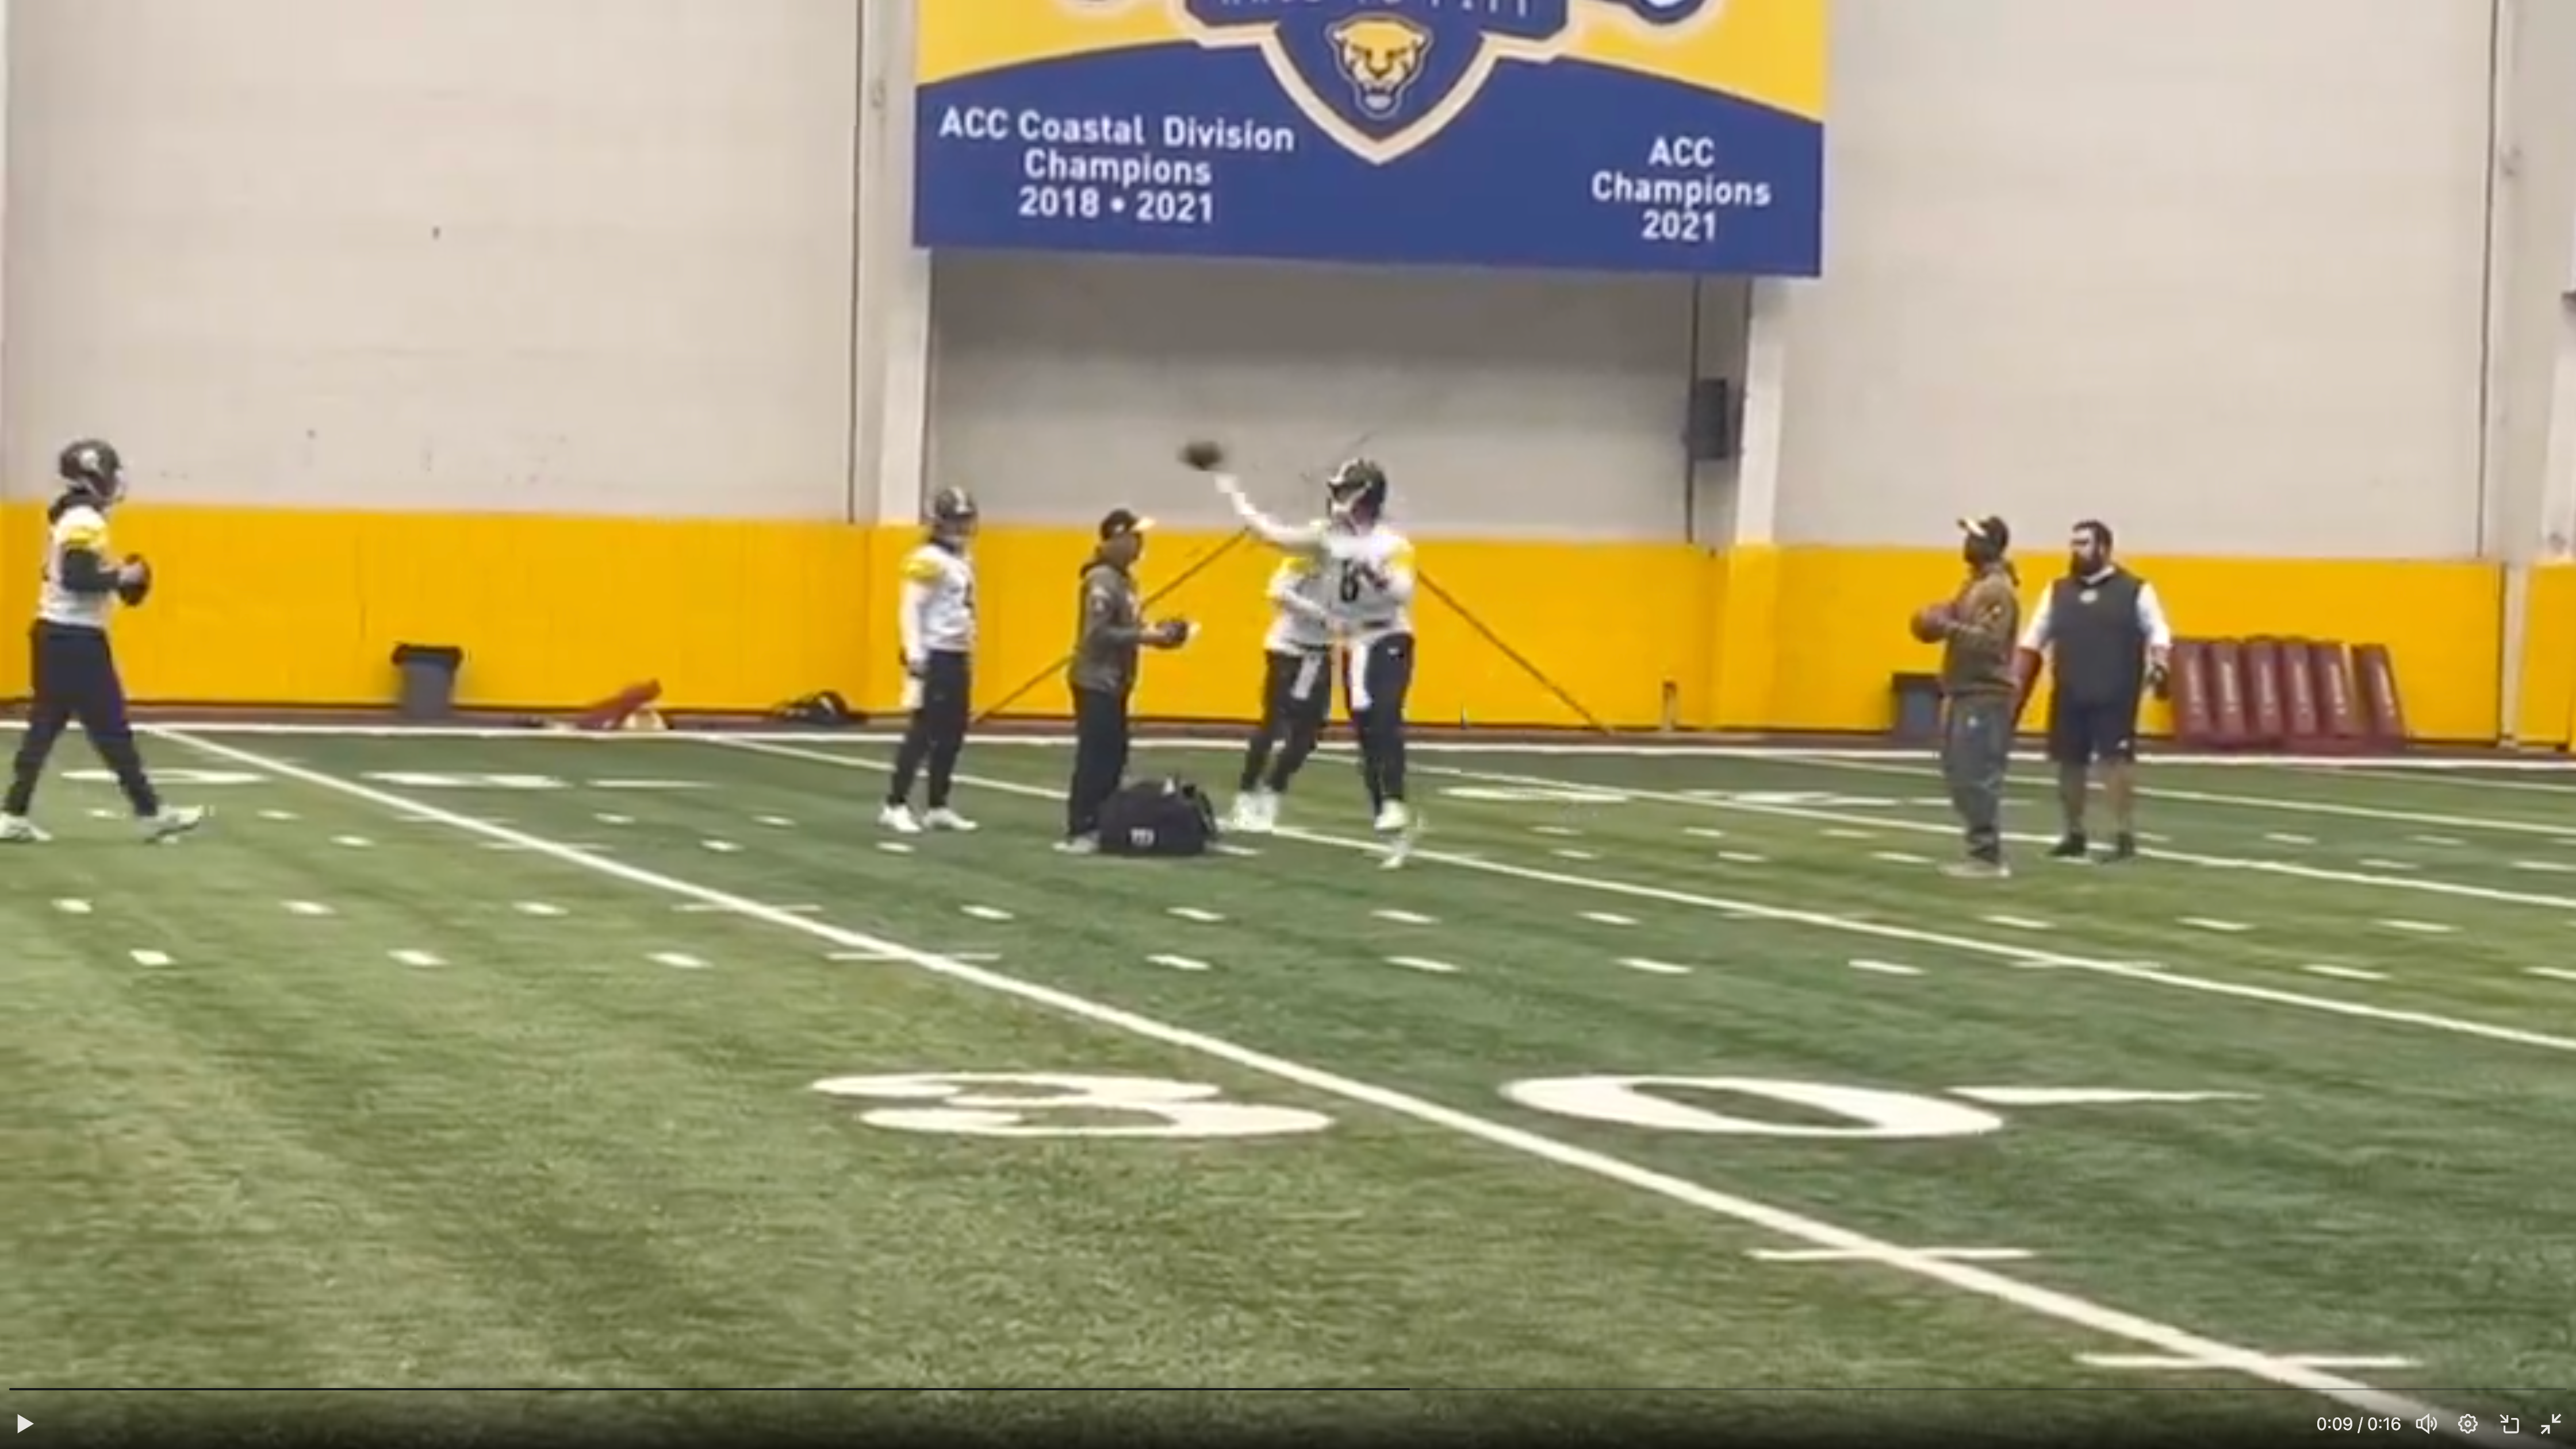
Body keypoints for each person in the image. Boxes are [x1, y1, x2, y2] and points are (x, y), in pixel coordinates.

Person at [1186, 444, 1424, 867]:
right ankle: (1385, 813)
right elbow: (1269, 534)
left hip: (1388, 636)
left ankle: (1394, 799)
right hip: (1352, 641)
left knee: (1385, 715)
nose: (1337, 499)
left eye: (1347, 492)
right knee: (1365, 729)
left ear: (1366, 496)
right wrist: (1231, 490)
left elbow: (1402, 592)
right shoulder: (1325, 538)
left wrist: (1367, 564)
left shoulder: (1392, 544)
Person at [1, 439, 208, 845]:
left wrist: (113, 576)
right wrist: (122, 578)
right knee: (109, 728)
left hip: (57, 633)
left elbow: (72, 574)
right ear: (94, 475)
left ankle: (13, 812)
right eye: (109, 472)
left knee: (47, 726)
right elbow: (78, 578)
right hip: (75, 637)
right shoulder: (84, 520)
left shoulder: (73, 517)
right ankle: (150, 812)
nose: (114, 481)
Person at [2020, 519, 2172, 862]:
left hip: (2115, 691)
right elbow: (2034, 638)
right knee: (2069, 763)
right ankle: (2074, 832)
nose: (2076, 550)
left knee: (2115, 762)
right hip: (2071, 687)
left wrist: (2160, 664)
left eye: (2083, 543)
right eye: (2073, 543)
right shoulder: (2057, 591)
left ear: (2104, 547)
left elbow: (2158, 630)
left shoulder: (2135, 589)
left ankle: (2123, 834)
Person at [1059, 509, 1189, 853]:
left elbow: (1127, 630)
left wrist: (1159, 633)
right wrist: (1146, 637)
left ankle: (1104, 821)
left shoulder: (1125, 581)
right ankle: (1082, 825)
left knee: (1115, 754)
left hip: (1116, 680)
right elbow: (1097, 634)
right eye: (1132, 537)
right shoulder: (1102, 580)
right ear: (1114, 540)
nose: (1139, 544)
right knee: (1096, 756)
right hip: (1096, 679)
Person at [1923, 515, 2022, 879]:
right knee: (1959, 771)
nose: (1967, 544)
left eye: (1975, 538)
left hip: (1986, 692)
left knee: (1975, 774)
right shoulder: (1973, 586)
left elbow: (1989, 642)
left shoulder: (1996, 589)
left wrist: (1946, 627)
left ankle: (1986, 855)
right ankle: (1979, 848)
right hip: (1965, 690)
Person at [880, 486, 981, 834]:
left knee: (952, 733)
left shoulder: (962, 559)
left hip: (957, 653)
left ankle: (938, 804)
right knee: (922, 732)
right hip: (935, 654)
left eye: (964, 518)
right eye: (954, 519)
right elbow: (911, 608)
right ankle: (895, 803)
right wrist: (916, 655)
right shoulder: (928, 558)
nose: (960, 526)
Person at [1226, 546, 1336, 833]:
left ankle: (1274, 789)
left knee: (1310, 733)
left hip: (1320, 653)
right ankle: (1247, 792)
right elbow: (1276, 591)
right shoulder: (1312, 554)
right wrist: (1317, 613)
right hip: (1289, 650)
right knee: (1274, 722)